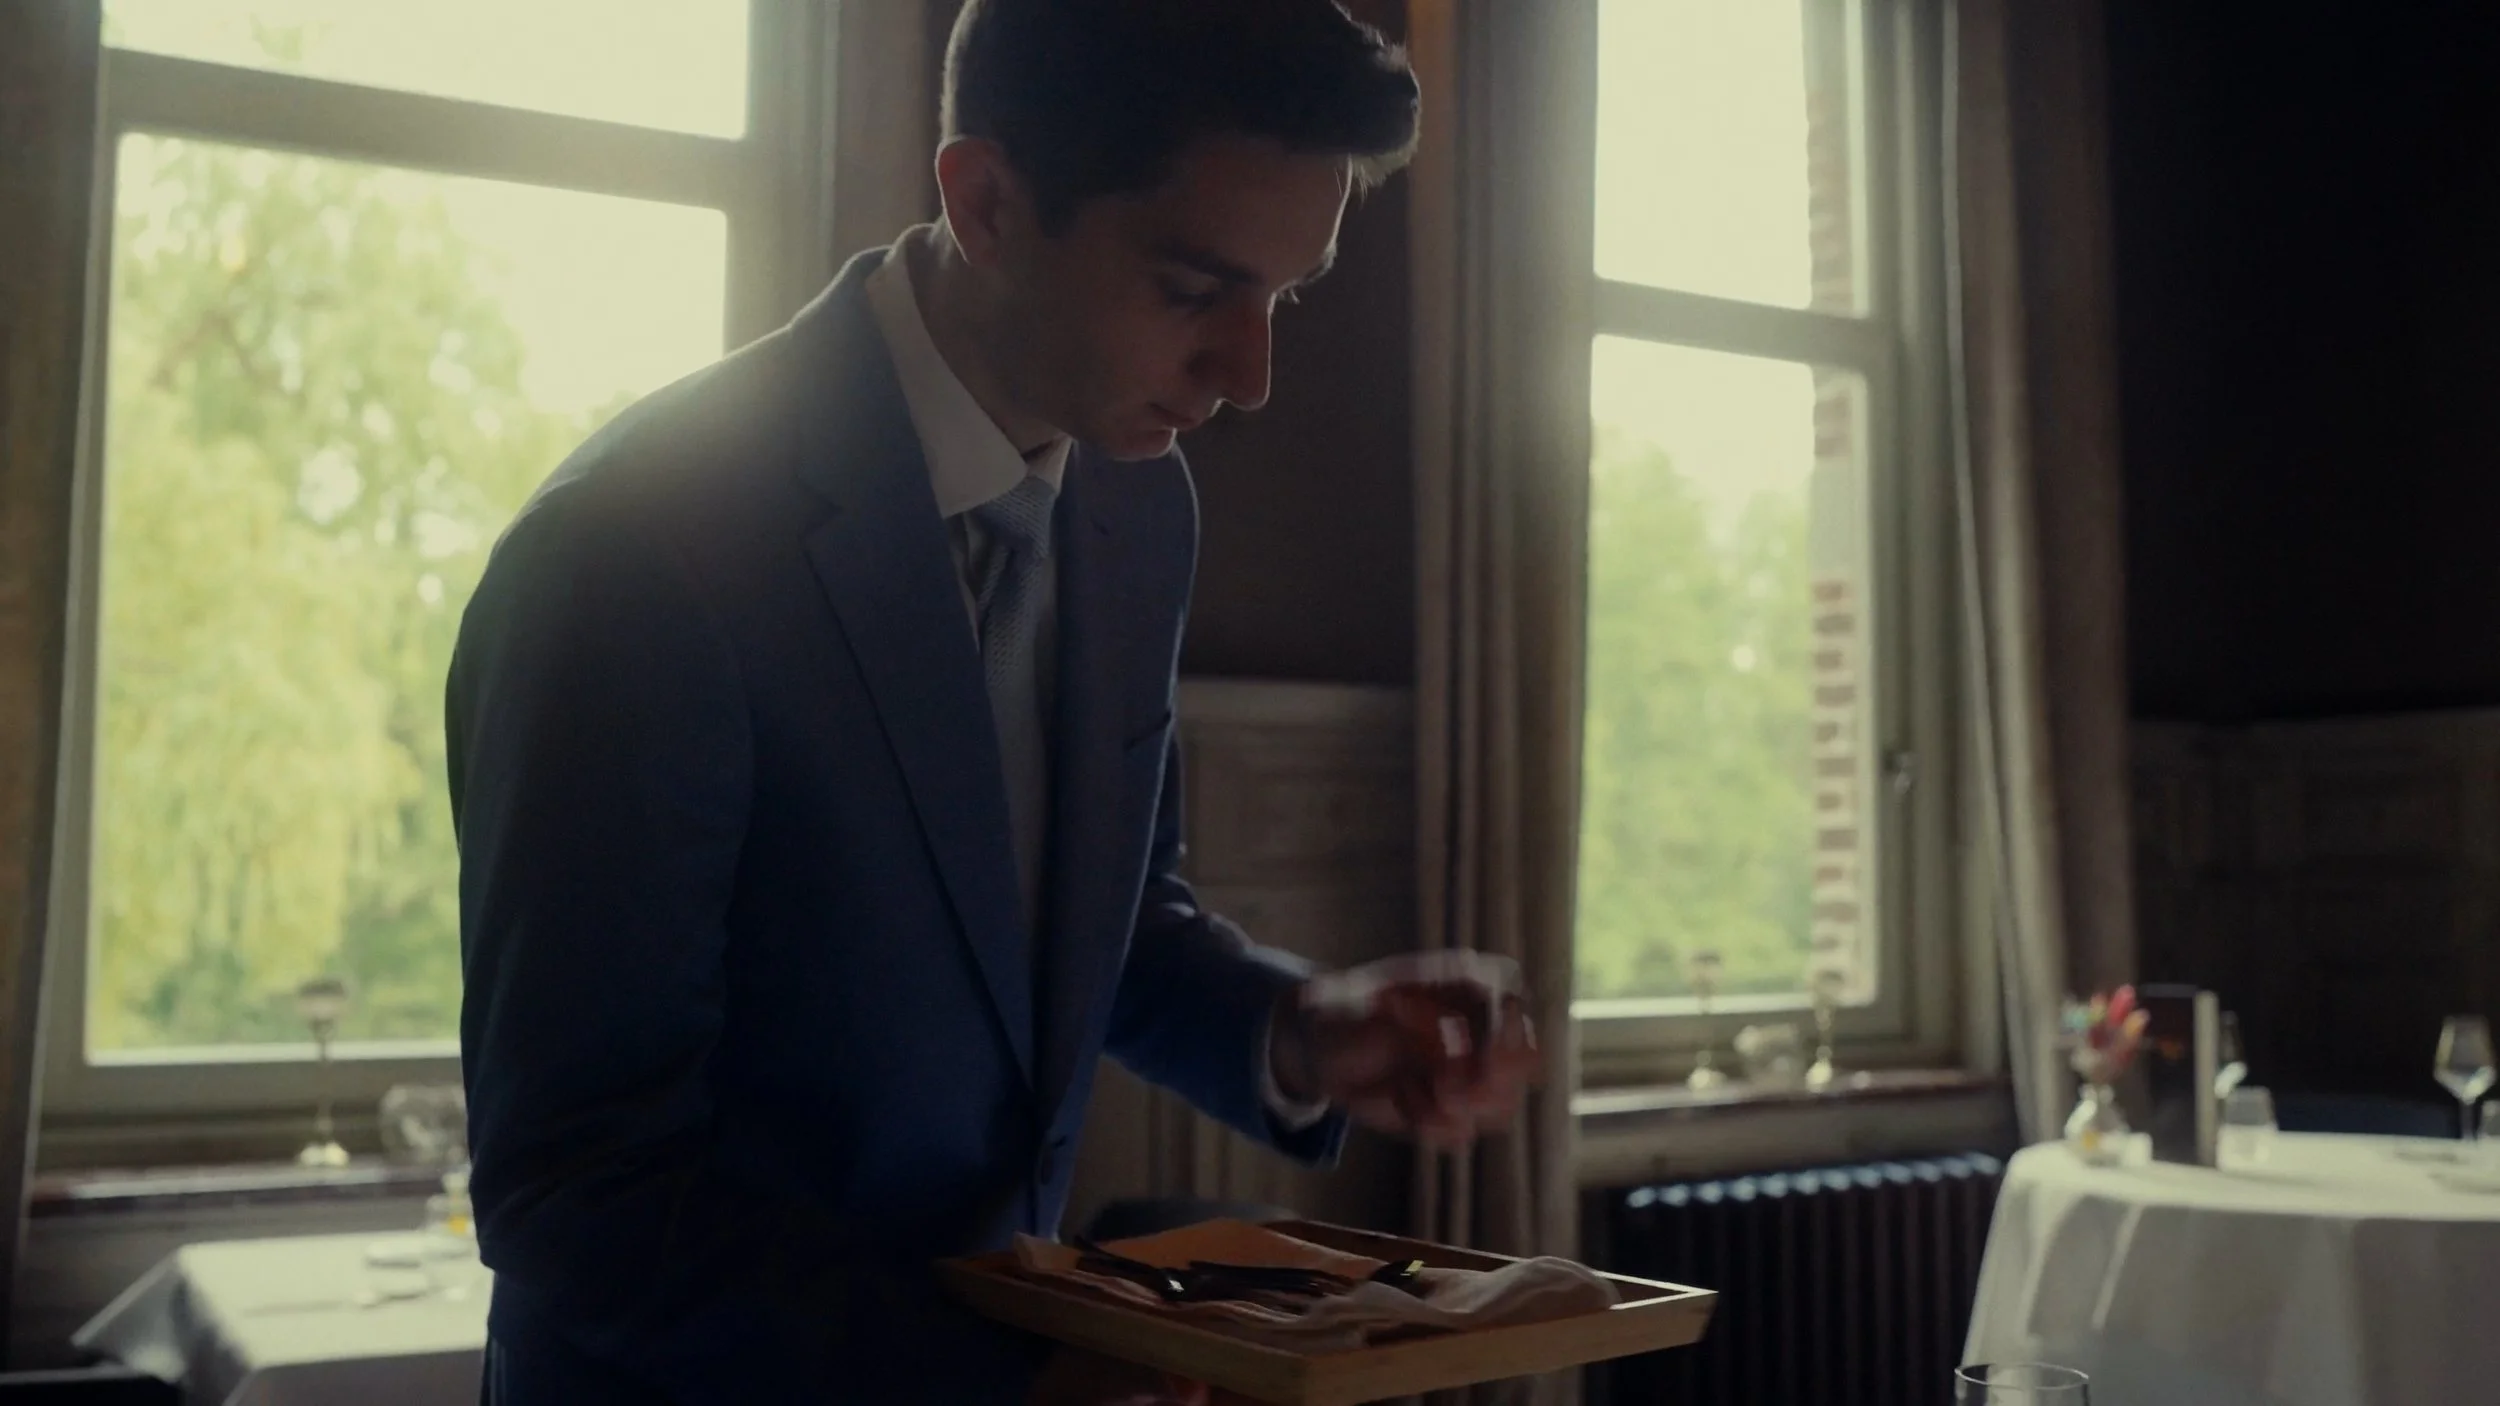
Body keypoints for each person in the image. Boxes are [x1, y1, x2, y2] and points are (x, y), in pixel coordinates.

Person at [447, 2, 1536, 1401]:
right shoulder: (633, 554)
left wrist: (1304, 1027)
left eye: (1290, 294)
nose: (1252, 376)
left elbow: (1095, 931)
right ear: (988, 201)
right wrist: (997, 1374)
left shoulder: (1140, 509)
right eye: (1196, 289)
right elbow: (573, 1193)